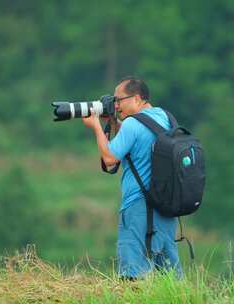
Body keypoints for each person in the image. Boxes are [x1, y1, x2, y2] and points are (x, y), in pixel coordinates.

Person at [81, 76, 182, 279]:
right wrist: (114, 124)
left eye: (119, 100)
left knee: (132, 275)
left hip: (138, 207)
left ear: (136, 98)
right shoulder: (165, 118)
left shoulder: (132, 124)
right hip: (165, 206)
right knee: (170, 275)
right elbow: (141, 140)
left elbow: (109, 159)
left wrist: (97, 128)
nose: (116, 105)